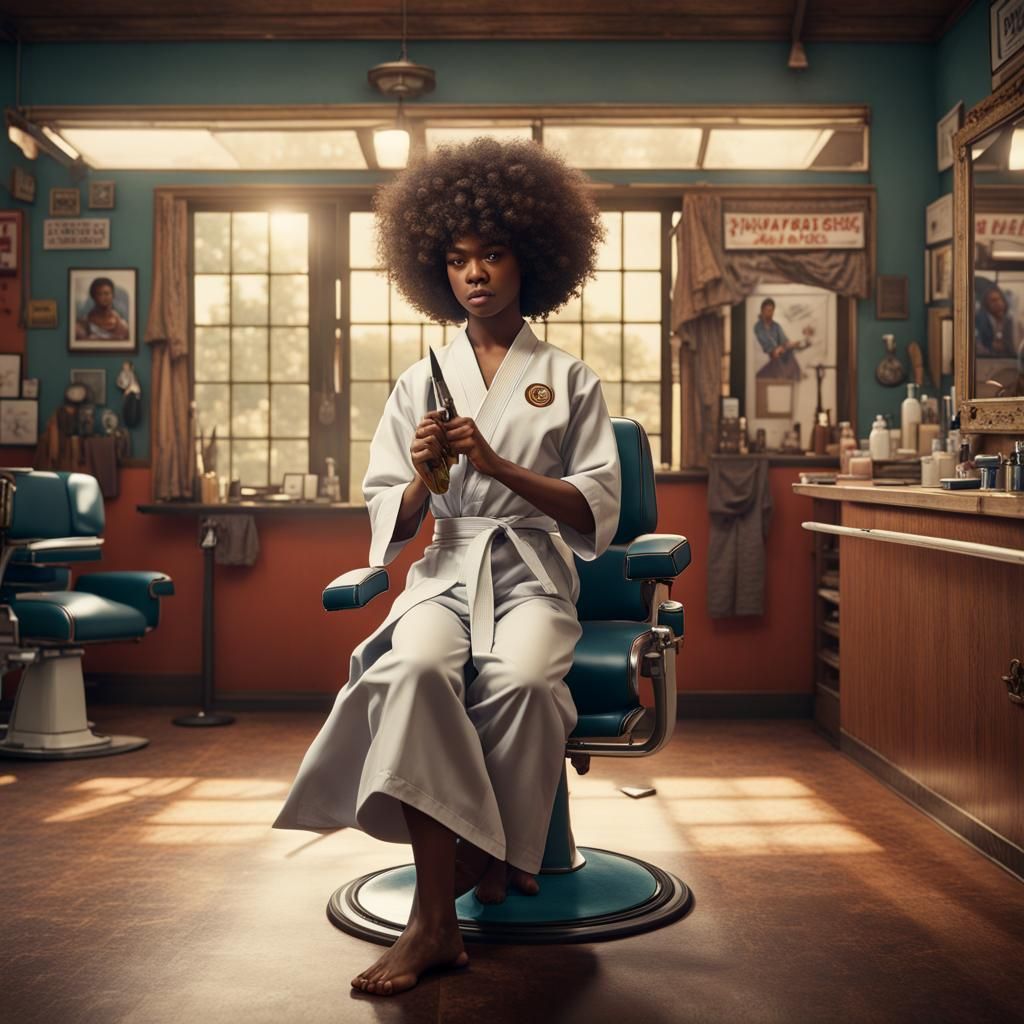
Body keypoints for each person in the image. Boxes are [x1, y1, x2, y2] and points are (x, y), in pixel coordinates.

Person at [272, 138, 621, 996]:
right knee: (418, 668)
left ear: (529, 261)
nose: (475, 274)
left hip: (534, 572)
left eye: (491, 254)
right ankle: (445, 909)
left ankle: (493, 855)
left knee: (527, 685)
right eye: (458, 259)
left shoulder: (570, 380)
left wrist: (500, 468)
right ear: (439, 270)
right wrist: (429, 480)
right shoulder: (417, 382)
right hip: (447, 568)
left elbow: (595, 511)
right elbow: (390, 513)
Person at [753, 297, 802, 381]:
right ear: (762, 311)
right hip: (766, 357)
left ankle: (793, 378)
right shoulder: (758, 326)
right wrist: (776, 349)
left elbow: (784, 340)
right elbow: (765, 345)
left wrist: (791, 344)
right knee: (780, 358)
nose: (770, 313)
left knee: (790, 355)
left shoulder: (776, 326)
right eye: (767, 310)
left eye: (772, 310)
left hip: (778, 354)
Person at [75, 277, 130, 341]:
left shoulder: (122, 325)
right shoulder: (84, 323)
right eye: (99, 294)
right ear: (93, 296)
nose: (103, 297)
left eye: (106, 294)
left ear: (113, 295)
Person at [974, 284, 1016, 357]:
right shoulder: (981, 319)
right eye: (993, 301)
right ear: (986, 305)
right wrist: (991, 348)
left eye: (1000, 299)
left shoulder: (1009, 320)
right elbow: (978, 345)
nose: (999, 303)